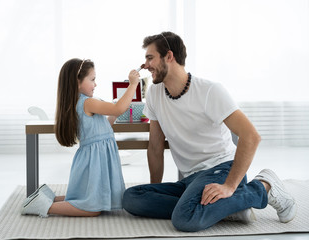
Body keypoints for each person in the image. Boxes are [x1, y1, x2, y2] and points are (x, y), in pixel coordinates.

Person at [122, 32, 297, 232]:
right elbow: (155, 146)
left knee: (185, 219)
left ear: (169, 56)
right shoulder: (154, 93)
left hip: (220, 169)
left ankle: (262, 187)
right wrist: (155, 192)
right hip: (189, 178)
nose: (145, 65)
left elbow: (251, 136)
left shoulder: (209, 90)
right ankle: (221, 208)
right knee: (131, 199)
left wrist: (230, 185)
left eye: (150, 58)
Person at [21, 58, 140, 217]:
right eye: (92, 79)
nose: (95, 84)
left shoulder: (81, 102)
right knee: (92, 209)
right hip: (94, 160)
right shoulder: (87, 102)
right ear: (77, 82)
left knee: (88, 198)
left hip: (96, 157)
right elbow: (118, 108)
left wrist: (113, 115)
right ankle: (44, 206)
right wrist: (132, 85)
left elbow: (102, 126)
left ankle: (48, 197)